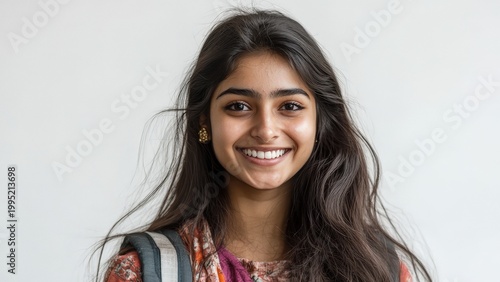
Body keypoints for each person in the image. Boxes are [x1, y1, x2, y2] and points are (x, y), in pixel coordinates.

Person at [97, 8, 432, 282]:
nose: (266, 130)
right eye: (239, 106)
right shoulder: (146, 273)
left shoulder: (376, 269)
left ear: (319, 123)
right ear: (204, 123)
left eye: (290, 106)